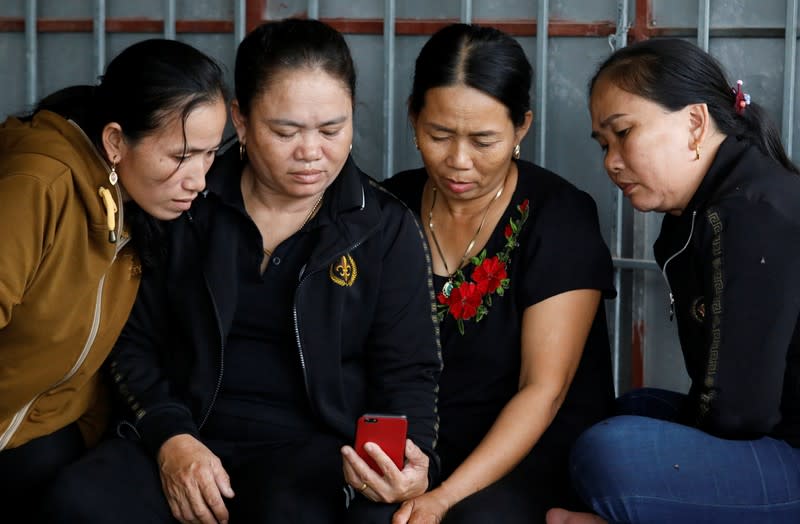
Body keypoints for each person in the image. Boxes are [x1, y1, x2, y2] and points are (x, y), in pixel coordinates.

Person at [41, 18, 441, 524]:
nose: (312, 152)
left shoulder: (380, 227)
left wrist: (413, 458)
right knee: (79, 501)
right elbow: (131, 341)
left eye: (332, 129)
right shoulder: (186, 203)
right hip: (186, 429)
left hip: (311, 453)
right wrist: (171, 439)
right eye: (285, 131)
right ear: (242, 121)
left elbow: (409, 370)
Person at [547, 38, 800, 524]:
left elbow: (739, 414)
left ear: (695, 122)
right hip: (771, 430)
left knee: (610, 451)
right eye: (604, 144)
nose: (611, 162)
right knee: (630, 410)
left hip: (785, 442)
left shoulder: (750, 215)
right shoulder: (705, 210)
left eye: (623, 133)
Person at [382, 23, 616, 523]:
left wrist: (442, 497)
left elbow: (544, 390)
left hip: (527, 452)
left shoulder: (558, 217)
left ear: (521, 128)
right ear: (413, 118)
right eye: (438, 134)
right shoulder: (388, 208)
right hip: (415, 448)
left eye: (484, 140)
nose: (458, 162)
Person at [0, 39, 227, 520]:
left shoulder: (134, 199)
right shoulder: (39, 186)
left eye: (210, 155)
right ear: (116, 142)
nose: (199, 179)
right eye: (181, 156)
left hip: (57, 430)